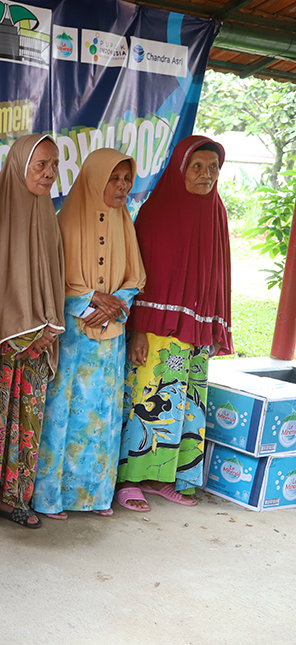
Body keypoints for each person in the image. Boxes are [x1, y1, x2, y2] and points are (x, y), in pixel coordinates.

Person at [117, 135, 232, 512]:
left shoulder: (216, 211)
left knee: (185, 405)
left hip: (195, 330)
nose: (206, 174)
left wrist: (215, 325)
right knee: (149, 401)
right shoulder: (157, 210)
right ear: (181, 168)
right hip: (156, 331)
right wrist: (135, 330)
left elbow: (219, 274)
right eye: (197, 166)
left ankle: (163, 476)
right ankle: (130, 478)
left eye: (213, 167)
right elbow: (139, 277)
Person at [33, 149, 146, 519]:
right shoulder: (63, 221)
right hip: (73, 336)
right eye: (114, 178)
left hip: (110, 334)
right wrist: (87, 302)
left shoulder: (124, 221)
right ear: (96, 178)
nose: (122, 186)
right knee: (62, 413)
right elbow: (50, 278)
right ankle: (51, 498)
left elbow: (135, 278)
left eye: (126, 179)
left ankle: (96, 495)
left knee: (103, 415)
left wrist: (114, 303)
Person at [0, 134, 65, 532]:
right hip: (1, 345)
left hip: (38, 344)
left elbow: (54, 279)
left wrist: (50, 326)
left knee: (27, 424)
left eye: (54, 165)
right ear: (19, 165)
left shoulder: (48, 215)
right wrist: (19, 331)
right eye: (40, 164)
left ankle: (13, 498)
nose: (48, 173)